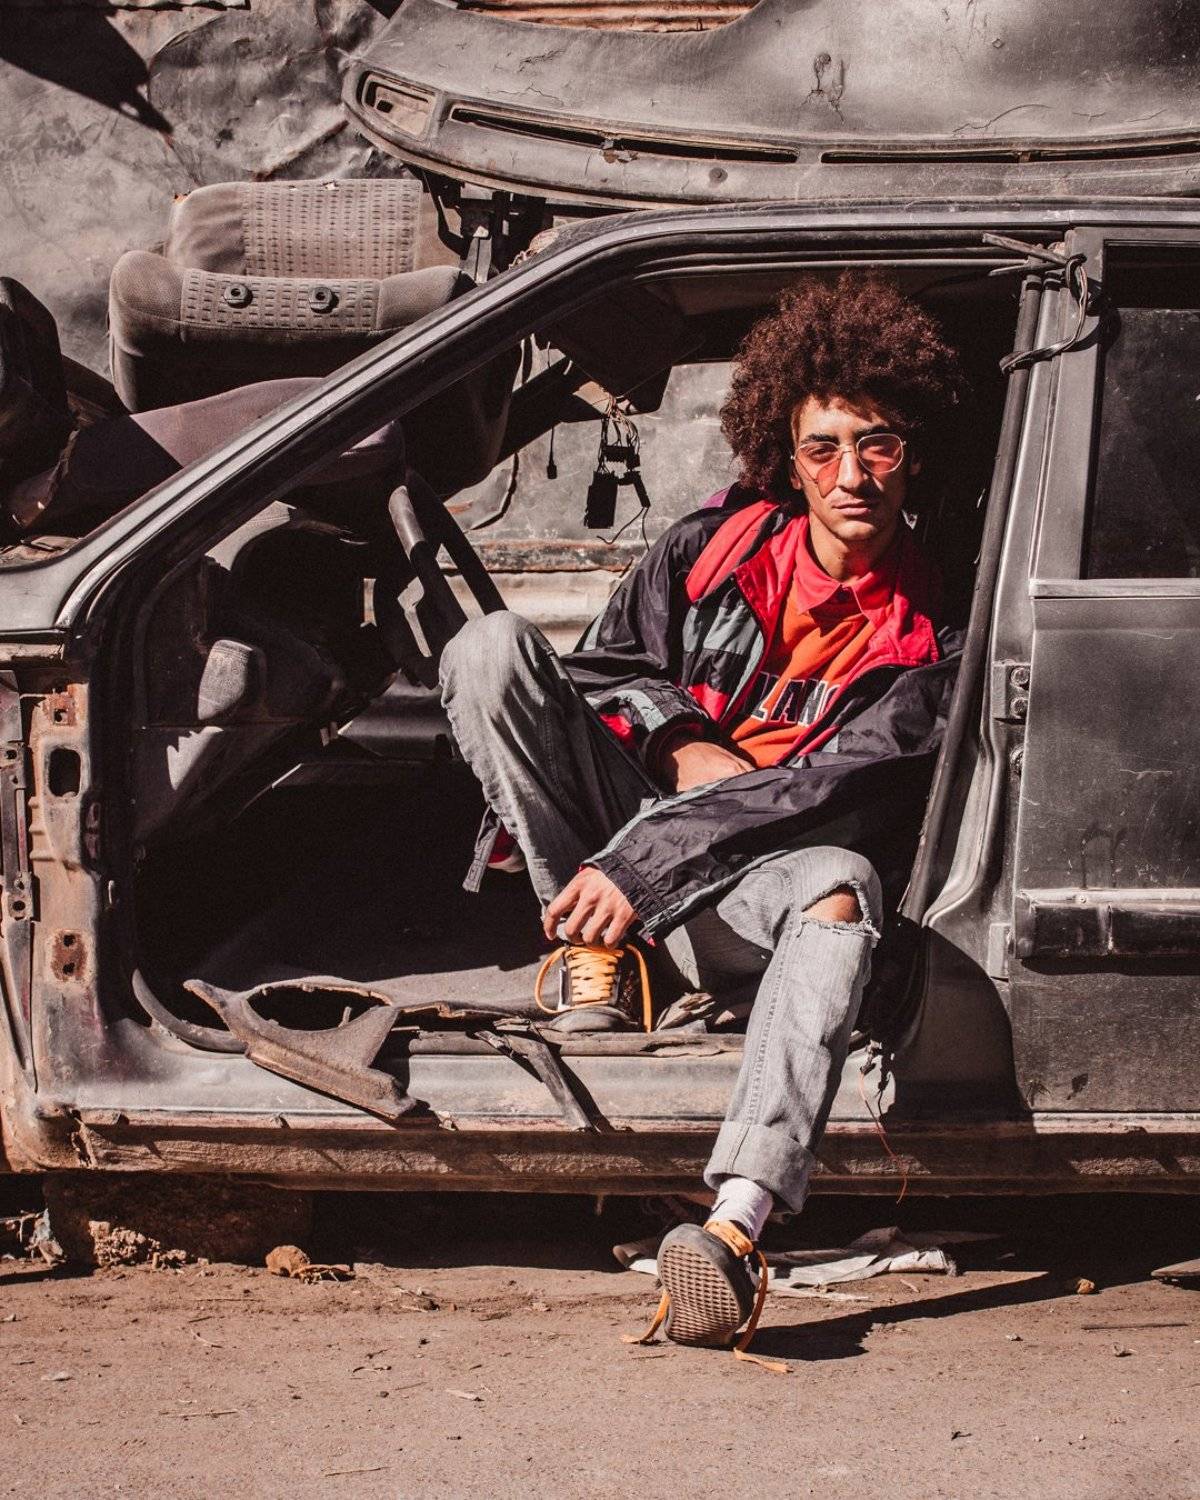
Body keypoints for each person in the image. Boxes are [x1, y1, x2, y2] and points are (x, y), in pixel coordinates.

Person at [439, 271, 966, 1354]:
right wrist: (681, 742)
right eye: (823, 448)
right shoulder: (710, 549)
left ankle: (735, 1226)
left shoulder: (941, 629)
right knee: (488, 650)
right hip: (633, 841)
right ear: (787, 455)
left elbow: (826, 789)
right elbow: (602, 672)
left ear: (912, 453)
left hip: (748, 883)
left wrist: (656, 855)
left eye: (877, 444)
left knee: (842, 886)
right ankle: (592, 952)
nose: (851, 475)